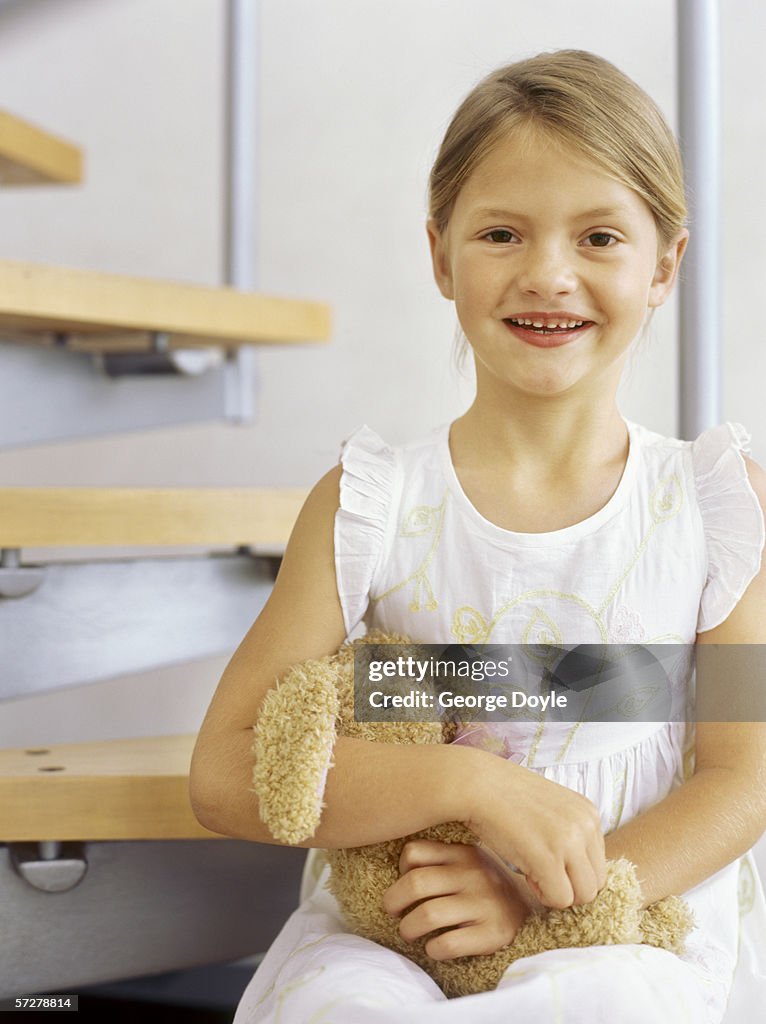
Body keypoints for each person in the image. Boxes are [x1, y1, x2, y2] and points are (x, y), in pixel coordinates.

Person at [189, 49, 766, 1023]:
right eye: (501, 232)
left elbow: (743, 774)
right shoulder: (370, 505)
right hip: (397, 935)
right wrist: (467, 782)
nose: (548, 274)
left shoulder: (711, 504)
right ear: (439, 255)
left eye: (598, 237)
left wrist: (541, 893)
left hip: (619, 924)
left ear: (664, 263)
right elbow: (225, 770)